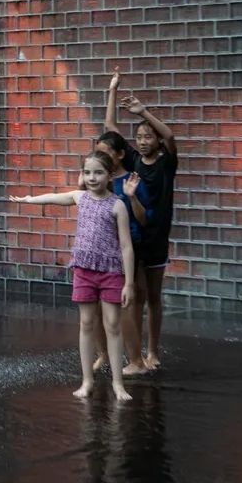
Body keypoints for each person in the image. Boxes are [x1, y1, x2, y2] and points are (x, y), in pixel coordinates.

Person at [10, 151, 137, 402]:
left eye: (98, 172)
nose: (92, 177)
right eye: (87, 172)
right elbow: (55, 198)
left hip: (111, 272)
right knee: (87, 324)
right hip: (84, 270)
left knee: (112, 325)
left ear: (109, 175)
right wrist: (29, 199)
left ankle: (118, 383)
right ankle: (87, 380)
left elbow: (126, 246)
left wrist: (129, 283)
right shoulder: (80, 197)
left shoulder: (117, 205)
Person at [105, 72, 179, 371]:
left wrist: (143, 111)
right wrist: (112, 91)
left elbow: (171, 137)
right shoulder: (134, 160)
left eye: (149, 137)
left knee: (154, 298)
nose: (143, 141)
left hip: (157, 236)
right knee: (134, 296)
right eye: (140, 137)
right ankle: (136, 355)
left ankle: (153, 351)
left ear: (157, 141)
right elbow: (110, 129)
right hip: (136, 238)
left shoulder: (166, 163)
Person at [92, 121, 150, 376]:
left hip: (126, 247)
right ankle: (103, 354)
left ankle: (136, 359)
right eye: (98, 152)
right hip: (99, 249)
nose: (101, 157)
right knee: (91, 305)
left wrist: (132, 196)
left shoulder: (131, 180)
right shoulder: (97, 179)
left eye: (106, 152)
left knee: (124, 304)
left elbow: (144, 219)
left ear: (119, 154)